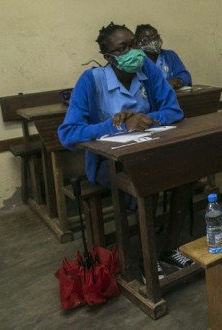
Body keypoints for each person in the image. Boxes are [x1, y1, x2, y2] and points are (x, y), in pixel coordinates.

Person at [58, 23, 192, 275]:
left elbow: (174, 111)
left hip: (149, 152)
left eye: (133, 44)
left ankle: (170, 249)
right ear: (109, 57)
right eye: (123, 48)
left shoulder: (148, 70)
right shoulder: (92, 81)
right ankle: (146, 260)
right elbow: (68, 134)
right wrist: (118, 125)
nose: (133, 51)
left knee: (184, 173)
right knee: (147, 179)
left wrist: (145, 118)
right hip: (107, 164)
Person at [134, 24, 192, 90]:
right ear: (138, 44)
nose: (154, 41)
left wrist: (175, 81)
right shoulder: (135, 60)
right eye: (147, 39)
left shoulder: (170, 55)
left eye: (155, 37)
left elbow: (185, 76)